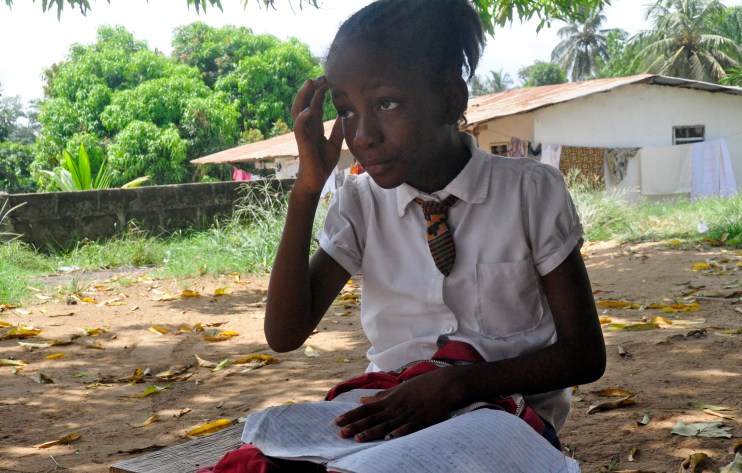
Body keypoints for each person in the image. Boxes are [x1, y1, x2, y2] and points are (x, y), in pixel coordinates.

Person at [201, 0, 606, 470]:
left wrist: (459, 385)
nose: (363, 134)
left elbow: (584, 355)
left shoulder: (530, 192)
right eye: (346, 110)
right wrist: (308, 190)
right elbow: (285, 333)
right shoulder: (360, 202)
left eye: (386, 103)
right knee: (257, 461)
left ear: (451, 100)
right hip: (391, 407)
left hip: (504, 415)